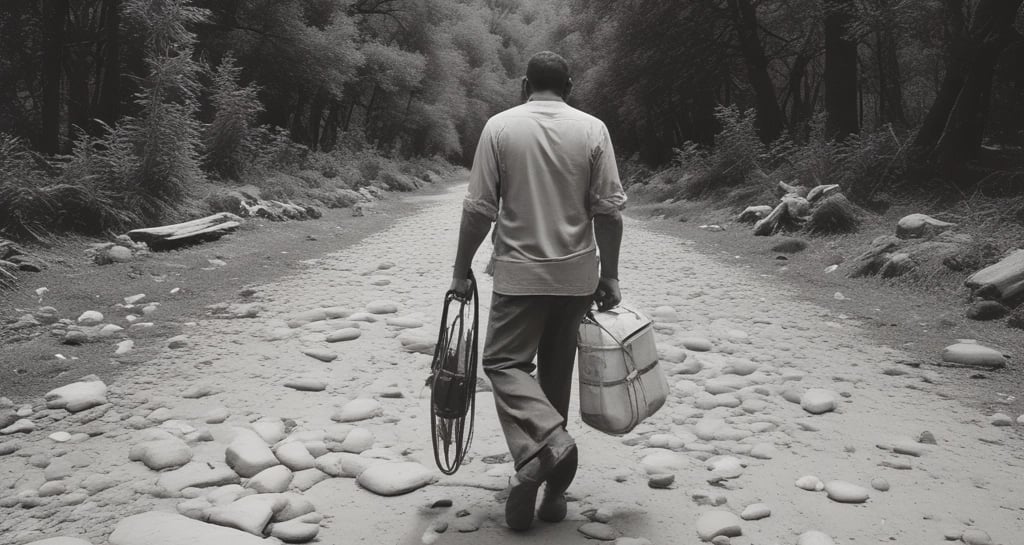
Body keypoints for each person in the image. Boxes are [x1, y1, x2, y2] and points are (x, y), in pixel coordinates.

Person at [449, 51, 626, 531]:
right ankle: (553, 494)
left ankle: (542, 445)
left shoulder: (500, 127)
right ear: (569, 85)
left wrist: (461, 269)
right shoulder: (593, 129)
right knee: (553, 380)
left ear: (524, 83)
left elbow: (480, 209)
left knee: (504, 364)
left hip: (519, 275)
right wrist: (609, 275)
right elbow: (608, 211)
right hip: (575, 278)